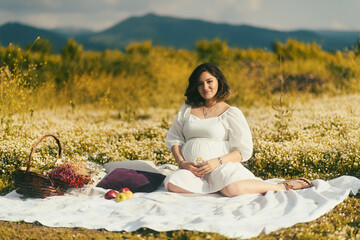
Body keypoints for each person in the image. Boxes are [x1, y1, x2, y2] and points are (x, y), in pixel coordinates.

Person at [164, 63, 312, 197]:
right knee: (171, 182)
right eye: (200, 84)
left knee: (232, 189)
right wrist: (183, 163)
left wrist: (217, 162)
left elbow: (242, 151)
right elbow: (175, 139)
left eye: (209, 82)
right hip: (193, 171)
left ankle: (282, 186)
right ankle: (214, 188)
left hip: (221, 167)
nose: (205, 87)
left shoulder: (231, 113)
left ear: (218, 81)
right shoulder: (187, 109)